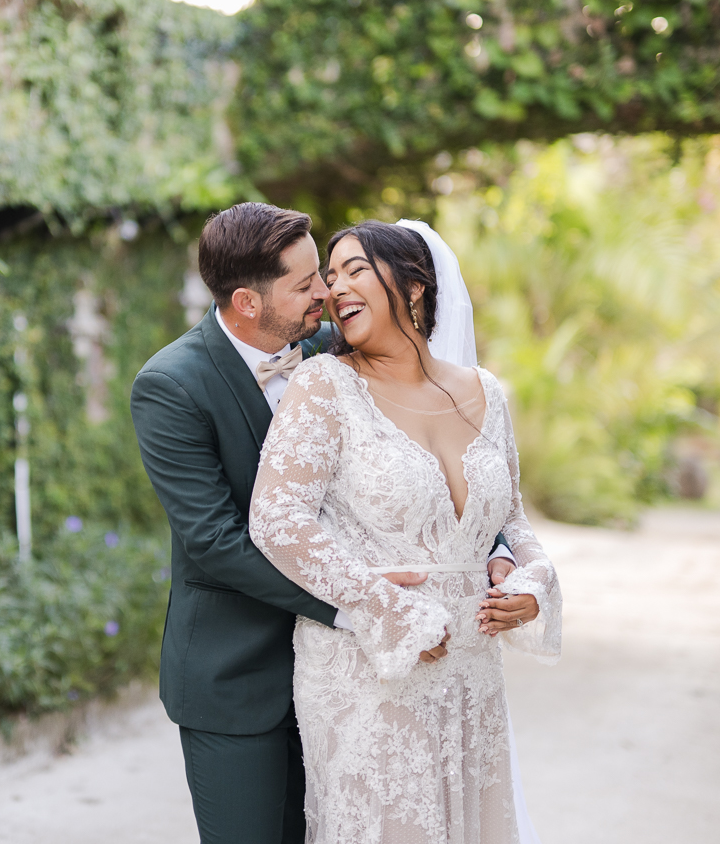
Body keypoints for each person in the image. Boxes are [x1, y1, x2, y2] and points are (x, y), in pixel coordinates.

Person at [130, 204, 518, 844]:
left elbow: (424, 467)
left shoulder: (337, 358)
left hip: (357, 677)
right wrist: (361, 602)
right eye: (307, 283)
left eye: (327, 275)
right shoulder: (172, 384)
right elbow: (215, 541)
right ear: (248, 302)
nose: (327, 293)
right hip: (240, 673)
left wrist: (493, 548)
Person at [249, 219, 561, 844]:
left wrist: (535, 581)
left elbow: (512, 521)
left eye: (354, 269)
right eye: (330, 277)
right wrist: (381, 604)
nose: (336, 288)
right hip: (369, 670)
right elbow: (276, 520)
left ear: (414, 286)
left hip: (472, 672)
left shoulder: (485, 394)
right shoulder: (324, 386)